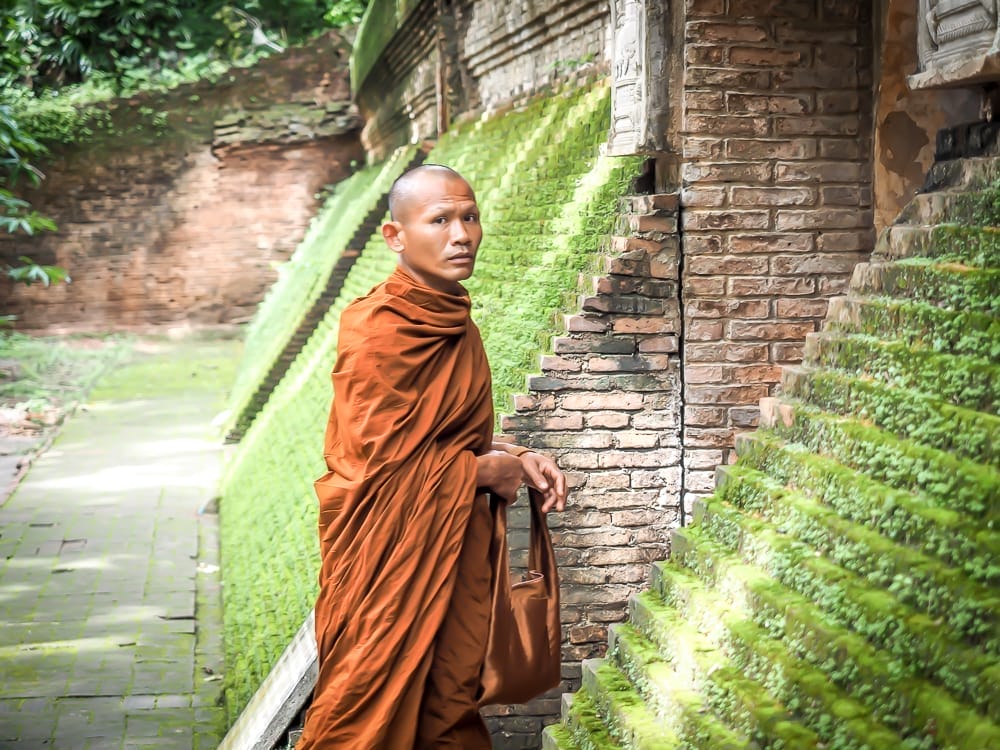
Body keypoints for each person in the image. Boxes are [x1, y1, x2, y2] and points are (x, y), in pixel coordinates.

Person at [295, 164, 568, 749]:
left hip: (451, 546)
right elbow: (379, 468)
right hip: (387, 555)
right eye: (439, 219)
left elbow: (437, 439)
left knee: (450, 702)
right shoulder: (376, 329)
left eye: (469, 216)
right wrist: (484, 471)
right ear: (396, 236)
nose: (461, 233)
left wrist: (512, 455)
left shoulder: (454, 320)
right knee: (363, 709)